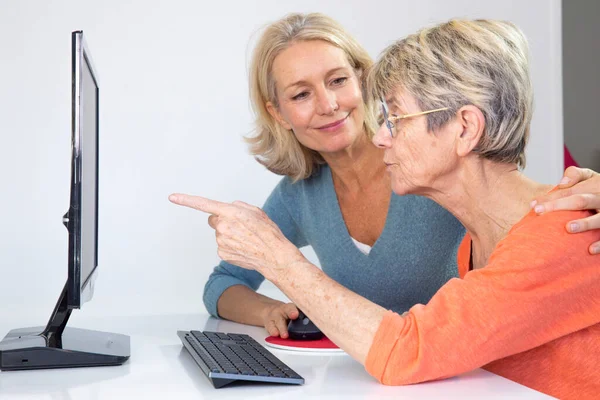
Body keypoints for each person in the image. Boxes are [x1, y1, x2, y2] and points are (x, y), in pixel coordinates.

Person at [171, 19, 600, 399]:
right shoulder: (475, 242)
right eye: (302, 93)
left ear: (465, 128)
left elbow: (407, 351)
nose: (380, 137)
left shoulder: (565, 231)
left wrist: (278, 260)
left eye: (396, 119)